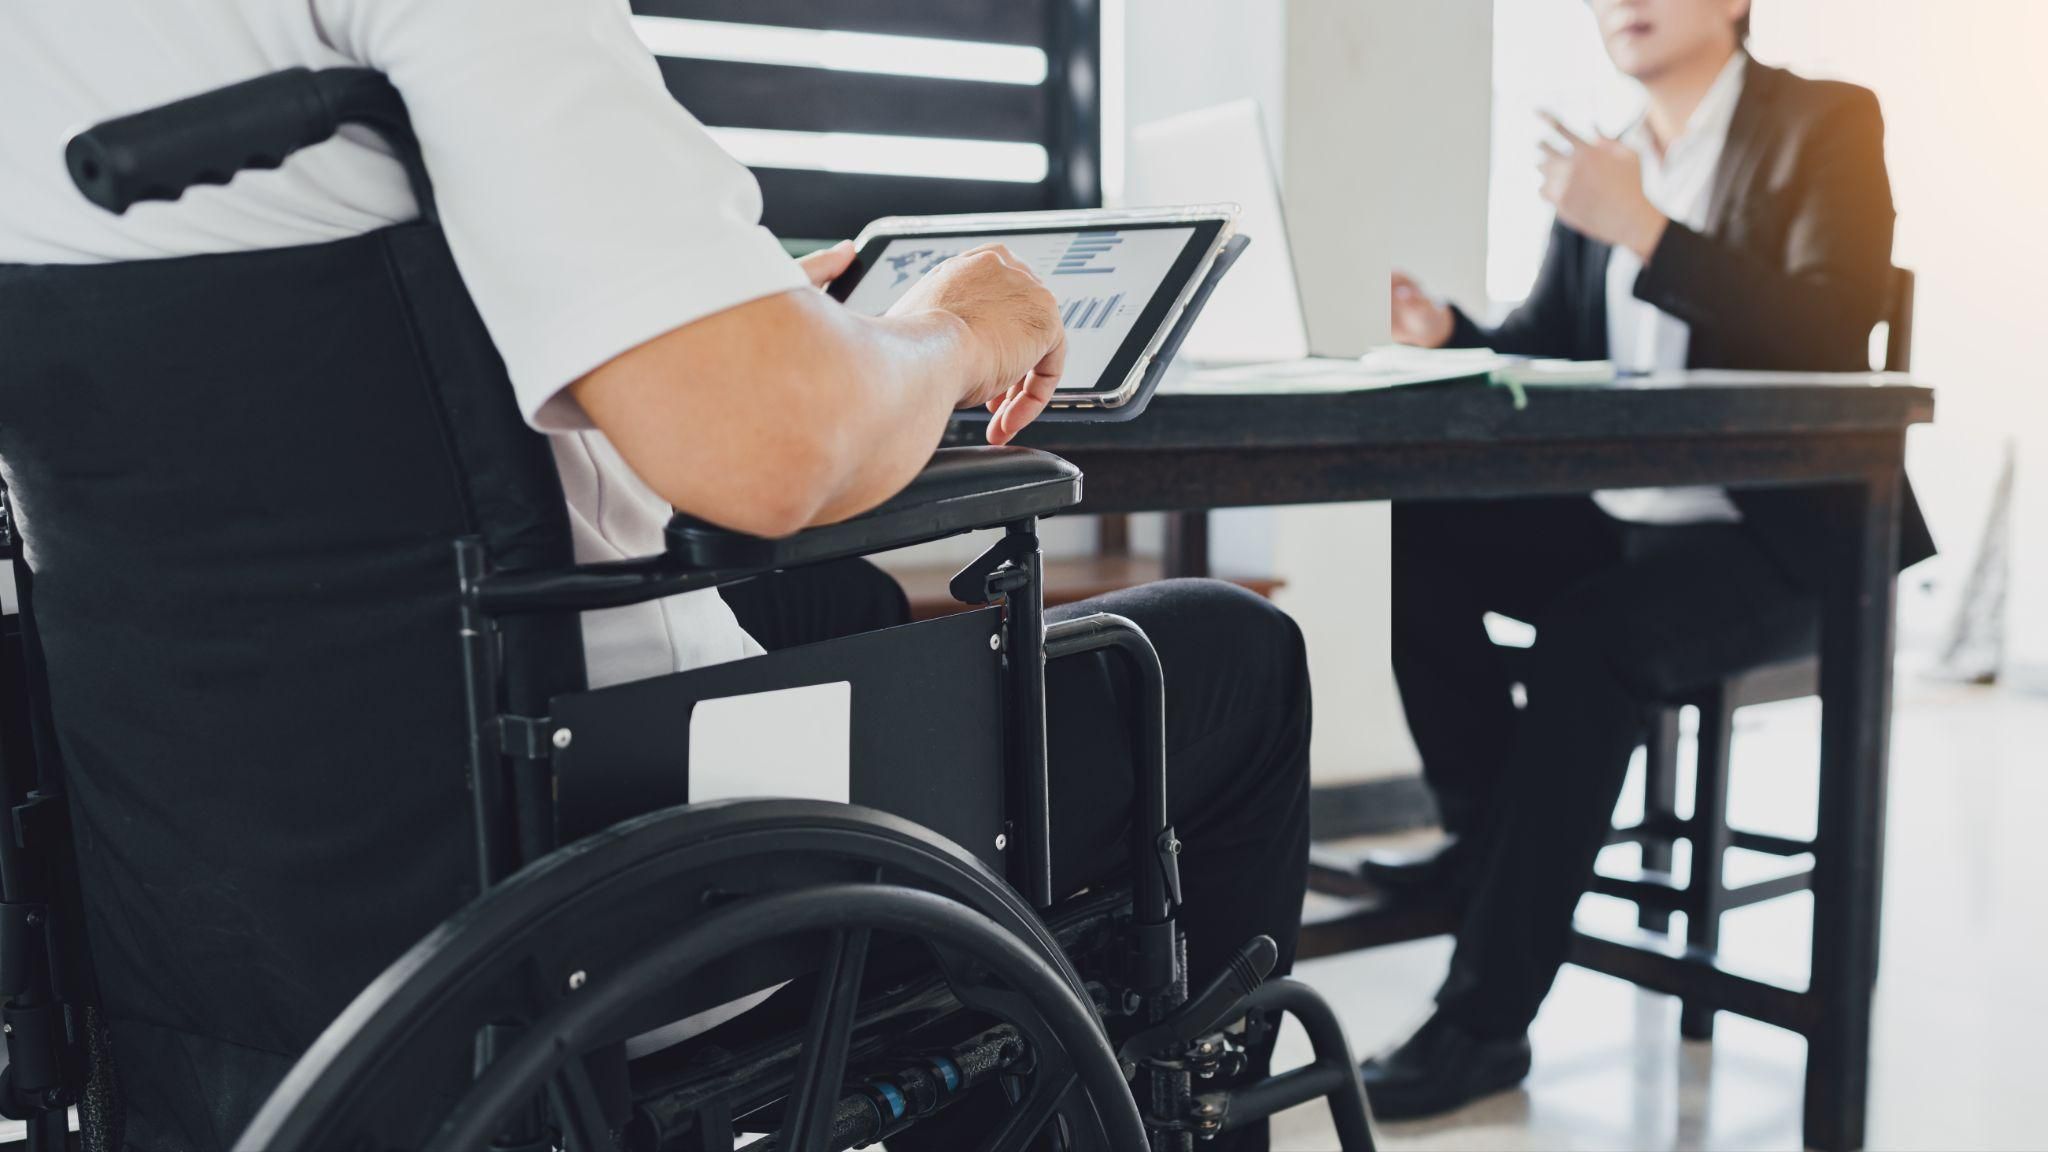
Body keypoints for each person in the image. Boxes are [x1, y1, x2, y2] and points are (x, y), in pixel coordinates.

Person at [0, 3, 1310, 1148]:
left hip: (202, 897)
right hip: (585, 870)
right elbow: (771, 454)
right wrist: (957, 331)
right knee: (1223, 662)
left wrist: (724, 321)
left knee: (843, 607)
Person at [1361, 0, 1935, 1120]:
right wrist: (1456, 335)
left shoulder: (1820, 124)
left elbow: (1829, 329)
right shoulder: (1607, 161)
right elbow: (1552, 347)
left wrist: (1646, 231)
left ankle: (1482, 1018)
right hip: (1628, 518)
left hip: (1782, 535)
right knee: (1428, 522)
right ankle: (1490, 845)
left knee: (1593, 639)